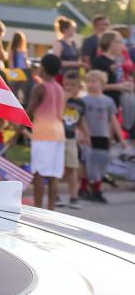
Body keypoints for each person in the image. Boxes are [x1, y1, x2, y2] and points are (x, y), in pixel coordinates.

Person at [27, 53, 65, 210]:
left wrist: (17, 127)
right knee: (54, 174)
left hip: (43, 133)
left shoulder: (40, 87)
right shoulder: (60, 88)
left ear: (43, 67)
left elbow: (29, 111)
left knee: (39, 173)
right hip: (58, 133)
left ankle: (37, 208)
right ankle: (50, 210)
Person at [79, 70, 123, 204]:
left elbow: (113, 120)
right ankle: (83, 189)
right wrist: (83, 134)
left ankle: (97, 191)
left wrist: (119, 137)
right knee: (87, 164)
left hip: (102, 135)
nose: (92, 84)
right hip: (88, 136)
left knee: (100, 164)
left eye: (95, 81)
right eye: (90, 81)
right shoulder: (83, 100)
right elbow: (80, 118)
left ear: (102, 83)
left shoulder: (108, 101)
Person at [61, 70, 86, 208]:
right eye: (66, 84)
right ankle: (57, 195)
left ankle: (74, 197)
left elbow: (81, 121)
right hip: (58, 137)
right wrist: (64, 99)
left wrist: (86, 134)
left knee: (72, 166)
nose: (68, 87)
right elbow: (57, 113)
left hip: (71, 138)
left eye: (72, 85)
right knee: (58, 167)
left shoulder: (81, 103)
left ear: (78, 87)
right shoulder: (60, 98)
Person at [90, 31, 133, 110]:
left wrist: (126, 83)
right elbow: (96, 86)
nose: (122, 46)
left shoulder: (116, 60)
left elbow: (117, 79)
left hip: (117, 102)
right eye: (120, 42)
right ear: (111, 43)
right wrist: (119, 87)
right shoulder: (100, 61)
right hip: (104, 105)